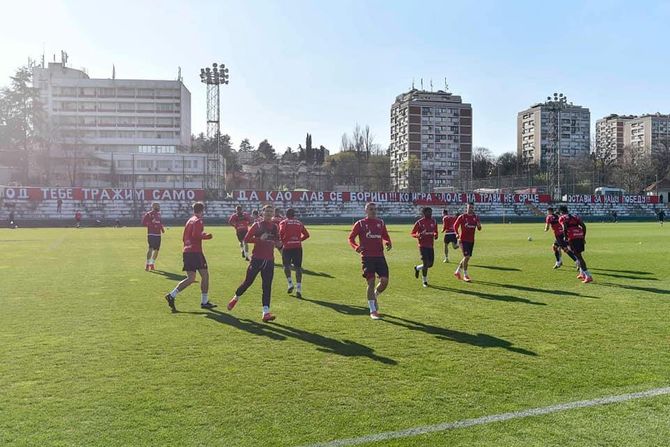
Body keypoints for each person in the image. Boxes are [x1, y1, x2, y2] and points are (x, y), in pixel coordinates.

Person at [227, 204, 283, 322]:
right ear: (262, 213)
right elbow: (246, 239)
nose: (269, 213)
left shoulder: (275, 227)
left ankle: (266, 312)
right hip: (257, 259)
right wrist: (259, 239)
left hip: (269, 260)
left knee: (267, 286)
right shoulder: (256, 225)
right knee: (248, 282)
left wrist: (279, 245)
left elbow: (277, 240)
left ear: (273, 214)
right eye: (267, 211)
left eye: (271, 211)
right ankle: (236, 297)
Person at [164, 202, 215, 312]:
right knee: (205, 275)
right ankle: (204, 302)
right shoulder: (198, 220)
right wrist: (206, 236)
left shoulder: (189, 220)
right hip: (195, 252)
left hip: (187, 251)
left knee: (191, 278)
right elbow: (196, 235)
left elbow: (184, 238)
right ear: (202, 210)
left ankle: (171, 295)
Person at [348, 202, 392, 320]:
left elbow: (385, 236)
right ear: (366, 211)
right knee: (371, 282)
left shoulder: (380, 223)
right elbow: (351, 238)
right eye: (370, 209)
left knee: (384, 281)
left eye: (374, 209)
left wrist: (388, 242)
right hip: (367, 257)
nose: (373, 211)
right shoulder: (360, 224)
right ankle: (373, 310)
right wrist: (356, 247)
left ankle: (375, 295)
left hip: (380, 256)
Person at [279, 208, 310, 298]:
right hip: (297, 247)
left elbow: (281, 232)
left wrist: (283, 240)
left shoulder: (284, 222)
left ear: (286, 215)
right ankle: (299, 289)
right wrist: (299, 240)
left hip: (287, 247)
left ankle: (290, 283)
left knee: (286, 266)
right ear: (294, 215)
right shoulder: (299, 223)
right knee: (298, 268)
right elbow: (307, 235)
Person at [558, 205, 593, 283]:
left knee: (578, 257)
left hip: (572, 238)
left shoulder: (562, 218)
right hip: (579, 236)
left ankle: (588, 276)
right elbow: (583, 226)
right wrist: (583, 237)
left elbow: (564, 227)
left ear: (561, 212)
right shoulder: (575, 216)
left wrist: (566, 237)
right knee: (579, 255)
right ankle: (582, 273)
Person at [453, 202, 481, 283]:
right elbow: (455, 226)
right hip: (463, 240)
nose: (471, 209)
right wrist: (457, 234)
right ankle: (465, 275)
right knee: (467, 256)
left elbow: (479, 228)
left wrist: (479, 225)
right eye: (469, 207)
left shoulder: (476, 217)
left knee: (466, 257)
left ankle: (457, 271)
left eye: (472, 207)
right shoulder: (462, 217)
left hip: (471, 240)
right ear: (467, 208)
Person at [411, 207, 438, 288]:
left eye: (431, 212)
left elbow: (435, 231)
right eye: (428, 212)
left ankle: (417, 268)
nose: (430, 213)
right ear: (424, 213)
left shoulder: (434, 221)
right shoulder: (419, 222)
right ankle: (424, 281)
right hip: (422, 246)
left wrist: (436, 235)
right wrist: (418, 235)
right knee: (426, 264)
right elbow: (412, 233)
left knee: (430, 264)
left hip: (431, 246)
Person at [142, 202, 165, 271]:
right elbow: (143, 223)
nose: (159, 207)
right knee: (151, 248)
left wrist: (162, 229)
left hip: (158, 234)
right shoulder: (149, 214)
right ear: (154, 206)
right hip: (151, 234)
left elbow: (160, 223)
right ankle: (147, 264)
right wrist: (151, 223)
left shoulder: (158, 214)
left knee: (157, 250)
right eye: (158, 206)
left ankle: (152, 263)